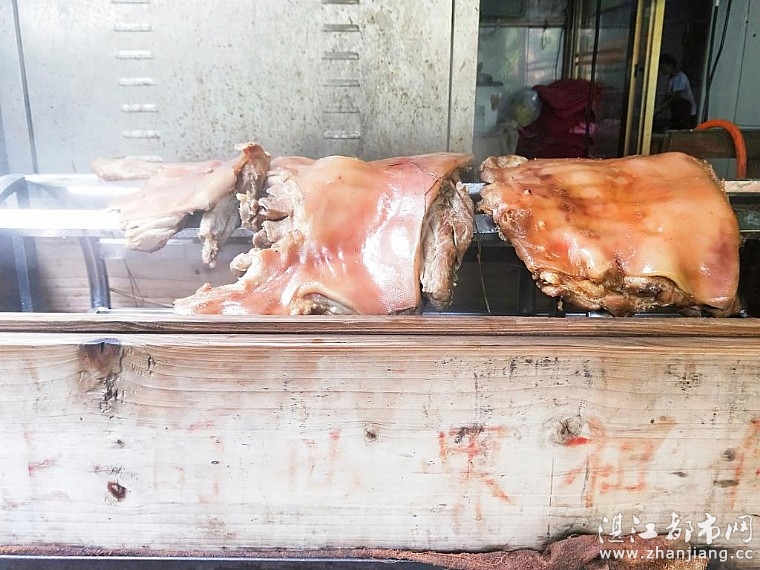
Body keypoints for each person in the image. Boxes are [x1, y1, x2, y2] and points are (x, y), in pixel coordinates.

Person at [656, 53, 697, 129]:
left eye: (663, 68)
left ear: (670, 65)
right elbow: (667, 96)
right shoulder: (671, 79)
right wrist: (658, 108)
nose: (662, 71)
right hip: (677, 113)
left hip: (687, 114)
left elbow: (673, 98)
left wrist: (659, 110)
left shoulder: (681, 78)